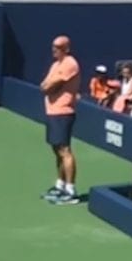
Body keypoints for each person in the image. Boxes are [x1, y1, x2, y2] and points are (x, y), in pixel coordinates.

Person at [42, 34, 83, 204]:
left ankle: (71, 190)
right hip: (52, 112)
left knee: (65, 150)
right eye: (53, 46)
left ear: (66, 49)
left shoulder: (70, 64)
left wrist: (47, 86)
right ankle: (60, 186)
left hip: (63, 112)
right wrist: (46, 86)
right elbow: (44, 84)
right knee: (57, 150)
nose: (54, 50)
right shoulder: (55, 65)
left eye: (58, 47)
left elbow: (49, 87)